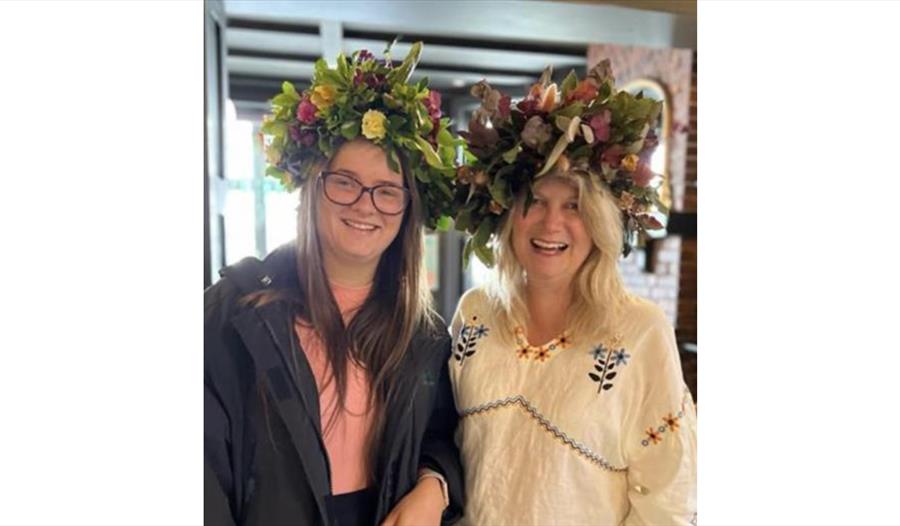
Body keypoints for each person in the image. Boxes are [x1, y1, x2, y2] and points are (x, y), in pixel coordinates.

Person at [204, 42, 464, 526]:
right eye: (344, 181)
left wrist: (435, 484)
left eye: (387, 191)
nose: (365, 205)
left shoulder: (422, 336)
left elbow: (442, 435)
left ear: (407, 211)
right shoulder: (232, 312)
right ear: (311, 189)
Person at [448, 62, 697, 525]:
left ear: (603, 222)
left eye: (575, 206)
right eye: (536, 201)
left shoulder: (640, 331)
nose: (551, 224)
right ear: (507, 213)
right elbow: (445, 445)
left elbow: (669, 495)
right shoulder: (475, 312)